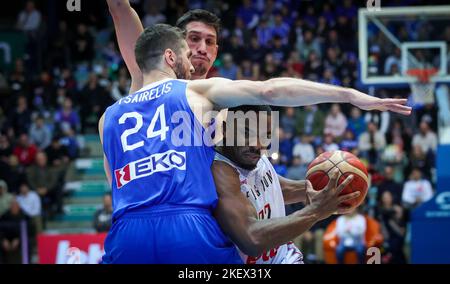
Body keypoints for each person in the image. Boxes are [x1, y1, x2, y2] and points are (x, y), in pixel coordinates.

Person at [98, 23, 410, 264]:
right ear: (169, 57)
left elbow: (115, 182)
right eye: (186, 56)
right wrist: (350, 96)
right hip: (185, 226)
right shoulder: (193, 91)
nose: (192, 66)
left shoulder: (107, 117)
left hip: (127, 232)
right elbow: (270, 91)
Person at [213, 105, 358, 264]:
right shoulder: (221, 173)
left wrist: (323, 188)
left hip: (284, 257)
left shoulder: (249, 154)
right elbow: (252, 239)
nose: (257, 145)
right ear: (226, 129)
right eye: (248, 133)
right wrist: (315, 211)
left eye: (266, 135)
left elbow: (275, 187)